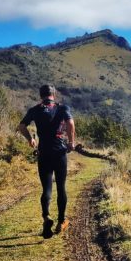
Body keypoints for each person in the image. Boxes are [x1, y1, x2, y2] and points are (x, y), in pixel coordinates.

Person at [18, 84, 76, 238]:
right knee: (61, 187)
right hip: (59, 152)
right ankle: (61, 221)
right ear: (53, 95)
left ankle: (46, 217)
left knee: (47, 188)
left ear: (41, 95)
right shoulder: (62, 108)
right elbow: (70, 124)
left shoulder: (35, 110)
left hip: (43, 152)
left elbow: (22, 126)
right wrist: (71, 142)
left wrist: (30, 139)